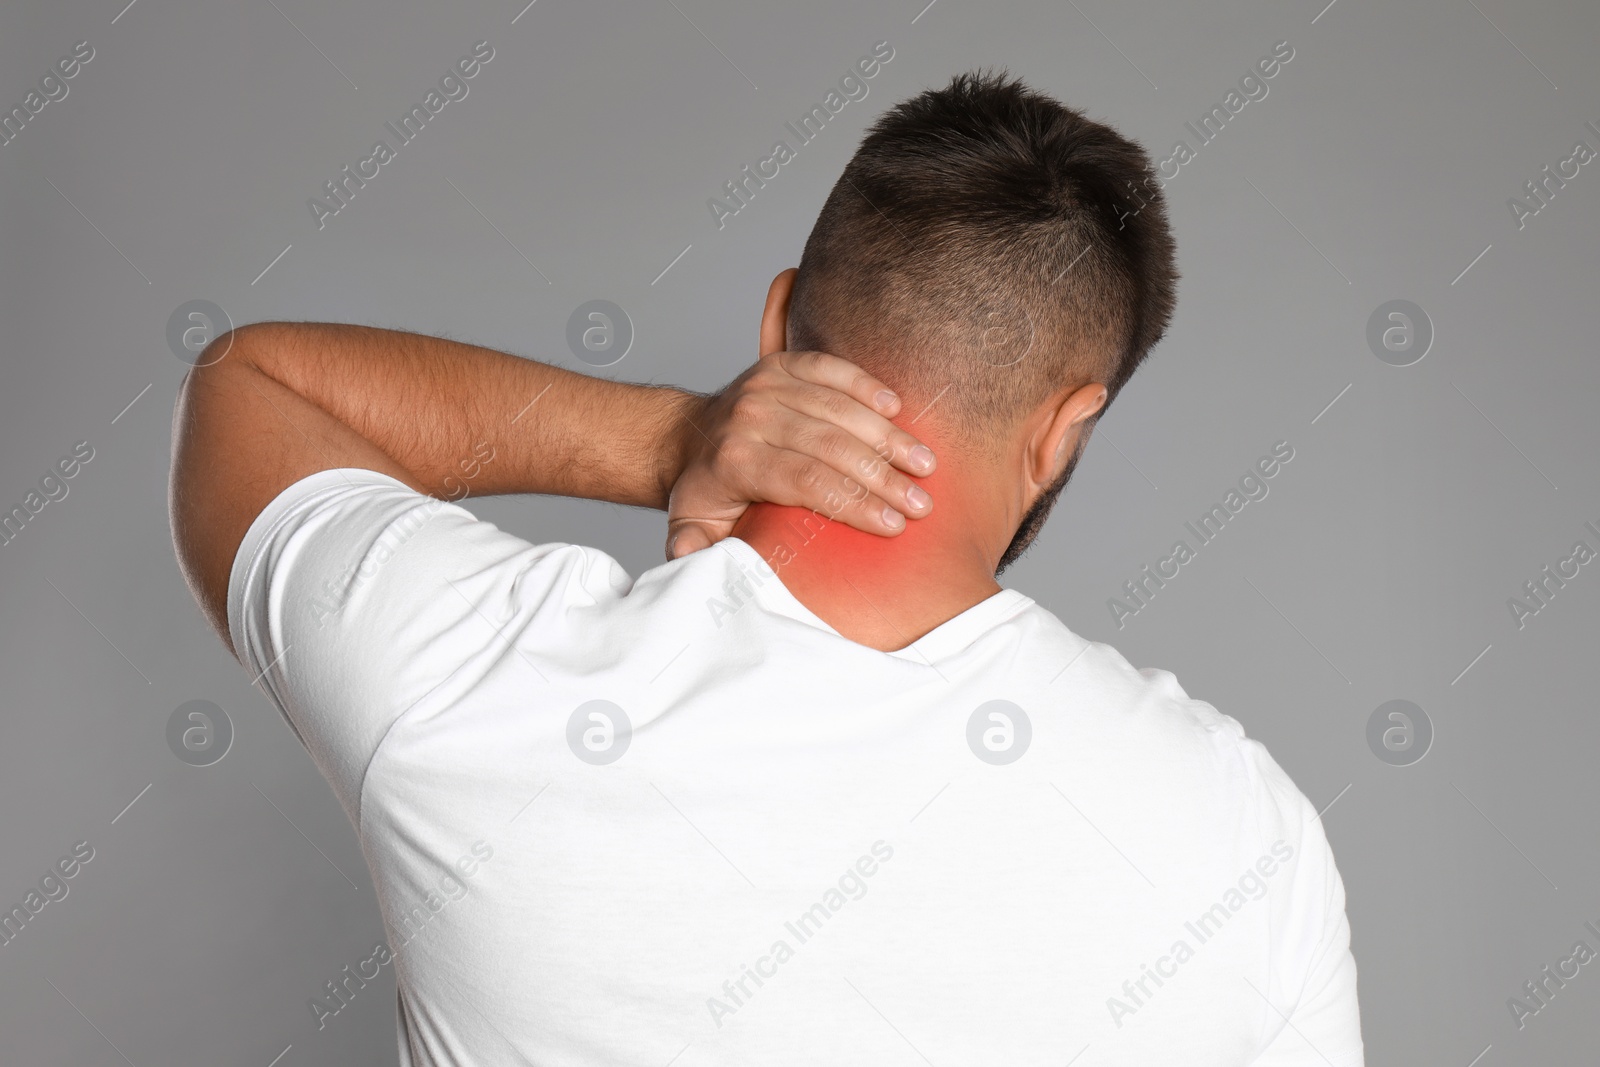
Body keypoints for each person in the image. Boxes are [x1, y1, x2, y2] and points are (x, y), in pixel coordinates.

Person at [171, 71, 1362, 1066]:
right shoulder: (1246, 841)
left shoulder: (482, 683)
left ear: (779, 321)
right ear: (1065, 429)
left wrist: (668, 437)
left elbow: (249, 386)